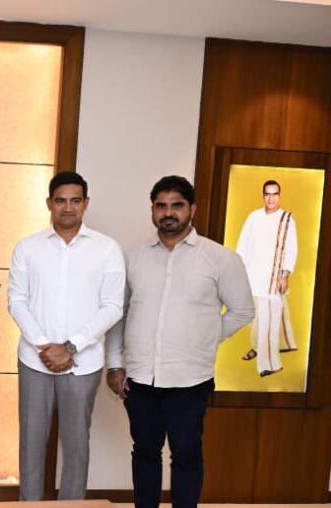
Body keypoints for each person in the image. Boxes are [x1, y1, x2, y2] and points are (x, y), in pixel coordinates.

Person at [106, 175, 254, 508]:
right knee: (145, 451)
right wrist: (114, 365)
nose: (168, 213)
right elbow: (119, 314)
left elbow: (243, 310)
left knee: (186, 454)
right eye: (161, 206)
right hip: (141, 377)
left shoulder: (221, 258)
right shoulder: (133, 258)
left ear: (192, 209)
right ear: (152, 210)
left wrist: (204, 337)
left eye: (177, 205)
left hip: (190, 379)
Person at [8, 172, 125, 500]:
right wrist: (45, 346)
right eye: (61, 200)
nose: (68, 207)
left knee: (76, 446)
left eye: (75, 200)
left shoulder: (107, 249)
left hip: (83, 363)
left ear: (86, 203)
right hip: (35, 360)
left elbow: (112, 307)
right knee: (31, 443)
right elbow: (16, 301)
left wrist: (71, 346)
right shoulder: (27, 247)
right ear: (49, 203)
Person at [236, 179, 298, 377]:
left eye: (275, 194)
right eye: (267, 194)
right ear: (263, 196)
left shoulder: (287, 220)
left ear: (279, 196)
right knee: (254, 319)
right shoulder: (254, 217)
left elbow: (291, 249)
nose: (271, 198)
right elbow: (243, 245)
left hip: (271, 281)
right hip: (251, 277)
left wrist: (285, 274)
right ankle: (257, 347)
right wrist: (239, 271)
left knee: (268, 322)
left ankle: (269, 364)